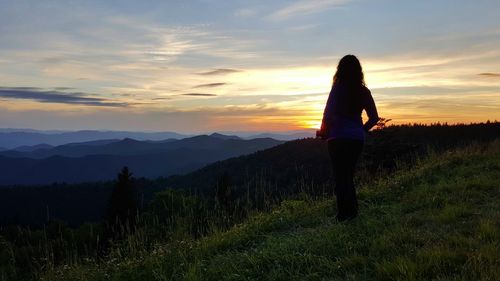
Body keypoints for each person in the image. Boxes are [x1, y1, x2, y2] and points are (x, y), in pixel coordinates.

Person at [316, 54, 379, 222]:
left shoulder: (338, 88)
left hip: (337, 139)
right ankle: (352, 213)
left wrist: (323, 131)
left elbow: (327, 114)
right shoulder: (363, 91)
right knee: (348, 176)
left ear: (340, 70)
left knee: (340, 177)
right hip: (356, 140)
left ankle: (343, 215)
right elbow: (374, 117)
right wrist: (361, 130)